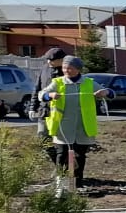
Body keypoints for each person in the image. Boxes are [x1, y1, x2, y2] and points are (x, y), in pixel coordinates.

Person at [41, 56, 112, 190]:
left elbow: (110, 93)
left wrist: (105, 92)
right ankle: (60, 184)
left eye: (69, 68)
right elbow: (42, 94)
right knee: (62, 155)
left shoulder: (89, 83)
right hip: (62, 127)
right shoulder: (57, 82)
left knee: (80, 156)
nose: (66, 70)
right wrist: (49, 96)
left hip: (82, 127)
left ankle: (78, 184)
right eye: (64, 68)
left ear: (78, 69)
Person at [36, 48, 66, 161]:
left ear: (61, 60)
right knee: (43, 139)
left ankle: (64, 168)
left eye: (51, 60)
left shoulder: (68, 70)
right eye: (47, 59)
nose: (48, 62)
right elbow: (37, 88)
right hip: (45, 111)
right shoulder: (44, 69)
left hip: (62, 113)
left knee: (61, 143)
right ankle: (57, 165)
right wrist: (32, 107)